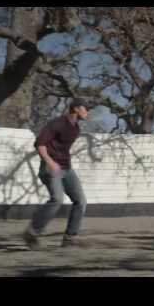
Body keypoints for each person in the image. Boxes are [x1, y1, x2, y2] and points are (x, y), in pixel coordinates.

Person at [23, 98, 91, 249]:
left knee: (81, 201)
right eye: (85, 108)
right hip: (50, 167)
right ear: (76, 108)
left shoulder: (76, 128)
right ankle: (32, 232)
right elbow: (40, 144)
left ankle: (70, 238)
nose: (88, 111)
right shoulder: (57, 123)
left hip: (67, 168)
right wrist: (50, 162)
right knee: (57, 199)